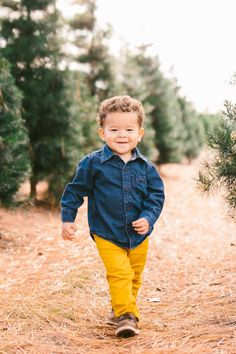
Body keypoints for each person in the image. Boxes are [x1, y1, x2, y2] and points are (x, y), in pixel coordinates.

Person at [61, 95, 165, 338]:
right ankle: (127, 316)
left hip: (139, 235)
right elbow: (75, 190)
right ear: (102, 132)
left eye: (129, 129)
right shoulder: (92, 164)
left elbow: (156, 196)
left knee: (134, 277)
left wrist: (148, 218)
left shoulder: (146, 167)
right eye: (114, 129)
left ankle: (119, 307)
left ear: (140, 133)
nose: (122, 135)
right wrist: (68, 218)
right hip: (107, 232)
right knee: (119, 273)